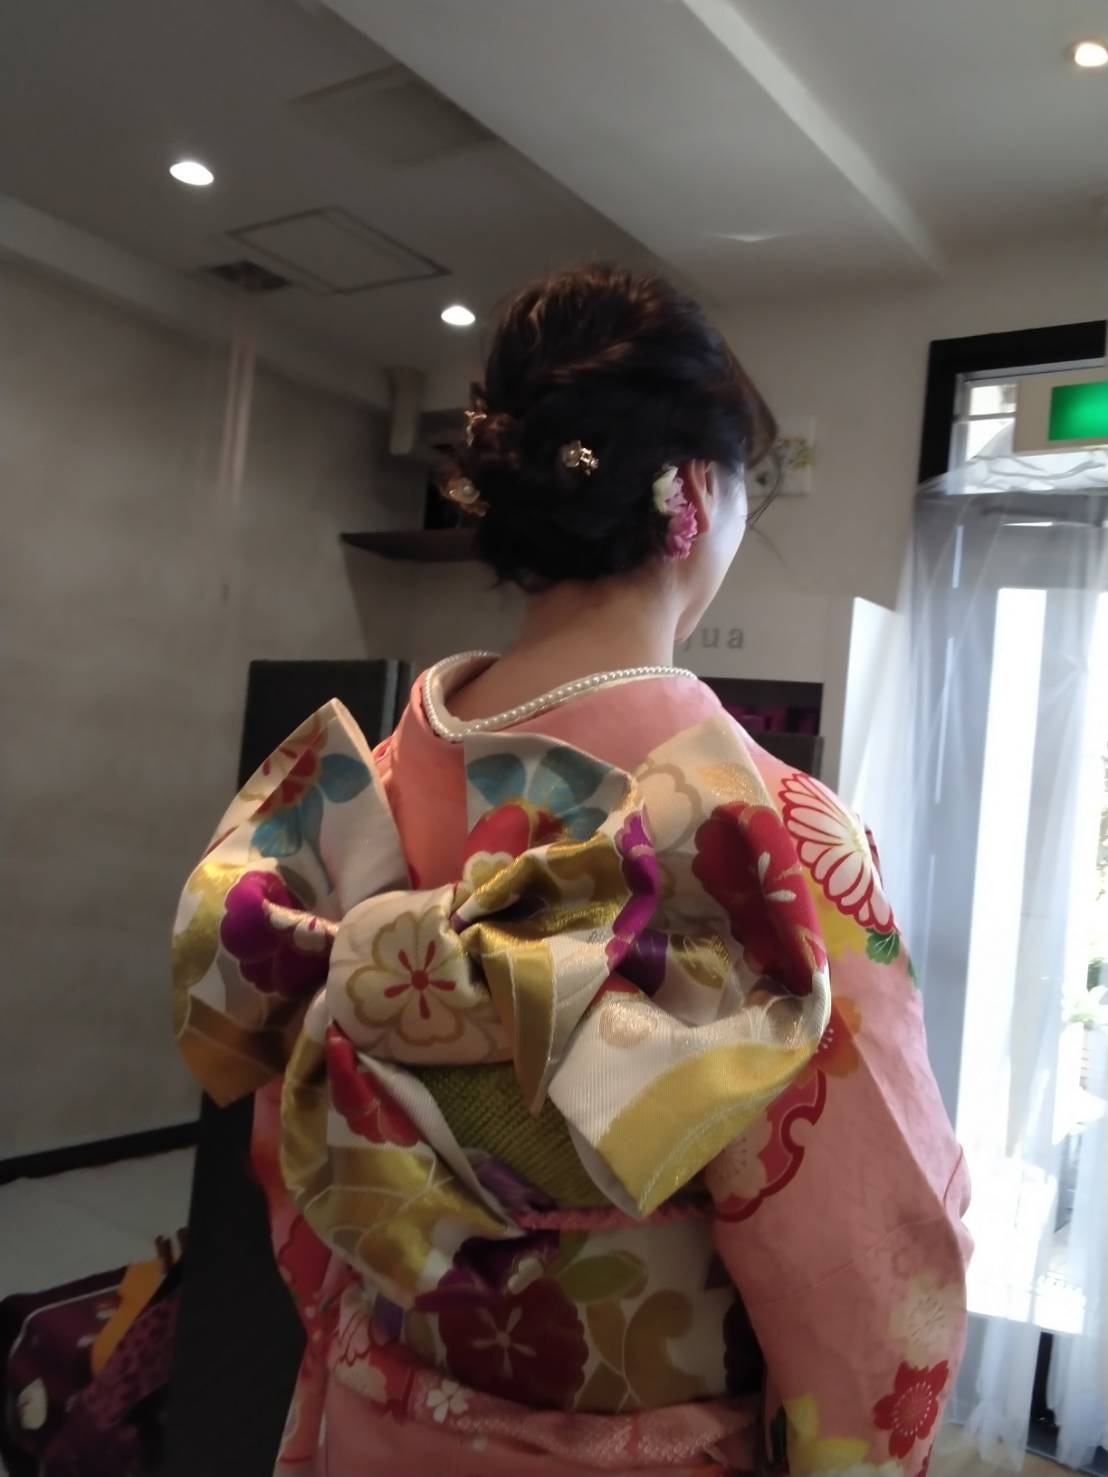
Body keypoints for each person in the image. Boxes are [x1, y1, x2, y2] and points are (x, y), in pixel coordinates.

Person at [172, 264, 970, 1476]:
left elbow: (299, 1144)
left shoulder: (355, 793)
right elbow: (868, 1265)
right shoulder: (764, 833)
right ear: (692, 496)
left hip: (376, 1419)